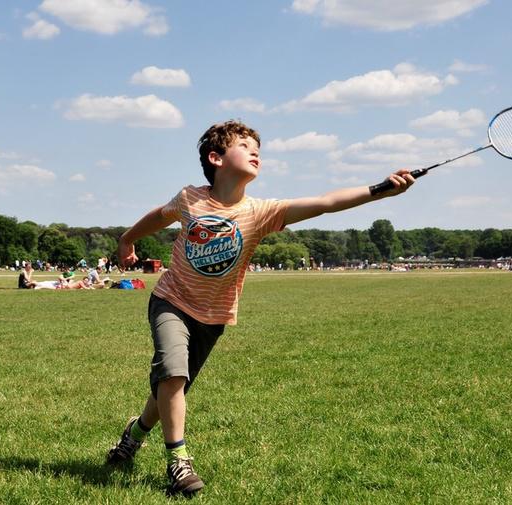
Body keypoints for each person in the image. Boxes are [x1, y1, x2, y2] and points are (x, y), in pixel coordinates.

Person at [105, 120, 415, 495]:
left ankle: (133, 435)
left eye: (258, 148)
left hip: (213, 315)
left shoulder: (261, 212)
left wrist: (378, 191)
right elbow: (160, 215)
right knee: (172, 374)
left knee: (170, 390)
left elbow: (325, 203)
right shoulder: (190, 198)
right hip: (171, 300)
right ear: (216, 158)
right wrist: (126, 239)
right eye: (245, 145)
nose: (256, 152)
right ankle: (179, 463)